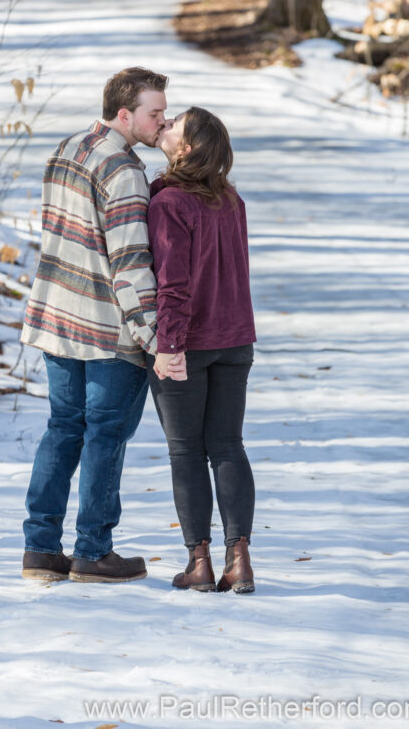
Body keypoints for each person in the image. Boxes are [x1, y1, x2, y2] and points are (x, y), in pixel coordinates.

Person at [20, 67, 185, 584]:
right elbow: (130, 263)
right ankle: (93, 550)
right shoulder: (124, 171)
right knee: (104, 436)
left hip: (56, 316)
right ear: (124, 114)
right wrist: (156, 339)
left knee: (63, 429)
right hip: (107, 328)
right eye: (155, 114)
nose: (162, 122)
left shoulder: (66, 148)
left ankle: (40, 550)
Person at [147, 106, 257, 594]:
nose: (165, 125)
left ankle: (199, 564)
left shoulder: (170, 203)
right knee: (228, 446)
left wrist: (168, 345)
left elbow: (173, 284)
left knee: (187, 451)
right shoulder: (231, 200)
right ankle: (240, 560)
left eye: (174, 125)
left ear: (186, 149)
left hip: (187, 344)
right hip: (236, 339)